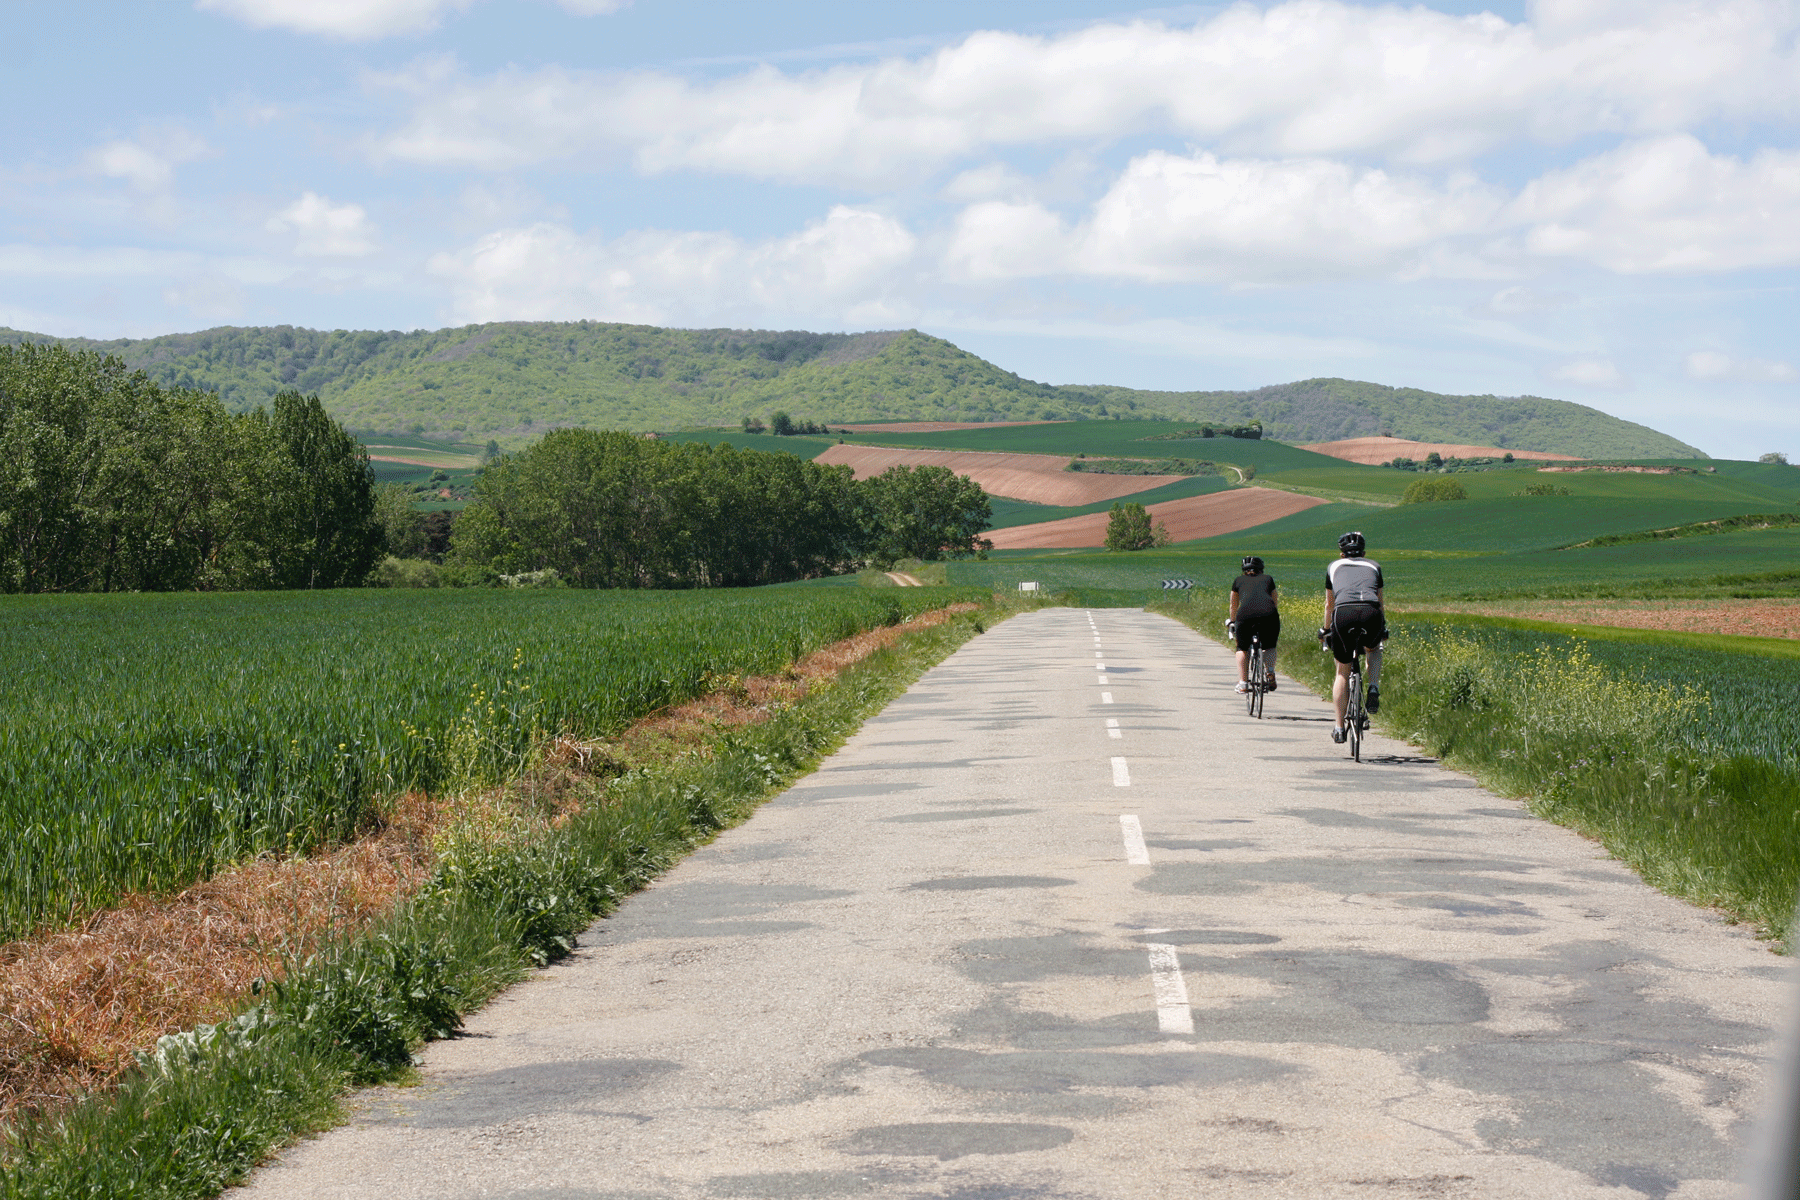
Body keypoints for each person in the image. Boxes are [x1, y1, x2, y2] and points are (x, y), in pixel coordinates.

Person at [1321, 531, 1386, 743]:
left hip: (1344, 613)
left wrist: (1325, 629)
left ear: (1342, 554)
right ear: (1364, 553)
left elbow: (1329, 604)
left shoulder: (1333, 566)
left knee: (1342, 670)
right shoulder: (1374, 566)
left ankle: (1339, 728)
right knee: (1374, 648)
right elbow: (1380, 601)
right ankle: (1373, 686)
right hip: (1371, 611)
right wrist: (1382, 627)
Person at [1228, 555, 1279, 693]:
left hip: (1245, 615)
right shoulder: (1268, 579)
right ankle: (1270, 671)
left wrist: (1232, 621)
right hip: (1268, 614)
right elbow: (1274, 601)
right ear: (1261, 569)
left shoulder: (1238, 580)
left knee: (1242, 648)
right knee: (1269, 646)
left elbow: (1233, 606)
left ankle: (1243, 683)